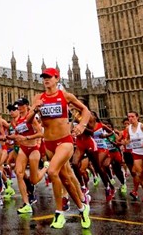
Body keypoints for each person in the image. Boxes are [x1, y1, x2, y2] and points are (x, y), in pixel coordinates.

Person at [29, 67, 92, 229]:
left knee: (52, 171)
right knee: (66, 180)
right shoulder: (38, 97)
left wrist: (82, 125)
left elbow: (85, 110)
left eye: (49, 77)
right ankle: (82, 208)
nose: (46, 80)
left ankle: (59, 213)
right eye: (44, 77)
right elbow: (28, 121)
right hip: (49, 143)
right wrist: (34, 108)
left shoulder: (65, 95)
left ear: (57, 78)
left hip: (65, 141)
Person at [8, 97, 49, 214]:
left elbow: (41, 133)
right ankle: (26, 204)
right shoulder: (17, 120)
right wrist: (9, 138)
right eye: (18, 105)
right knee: (19, 173)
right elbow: (17, 134)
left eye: (21, 105)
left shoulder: (30, 118)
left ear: (26, 105)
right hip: (23, 149)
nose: (19, 107)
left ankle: (46, 167)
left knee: (34, 180)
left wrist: (27, 138)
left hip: (33, 149)